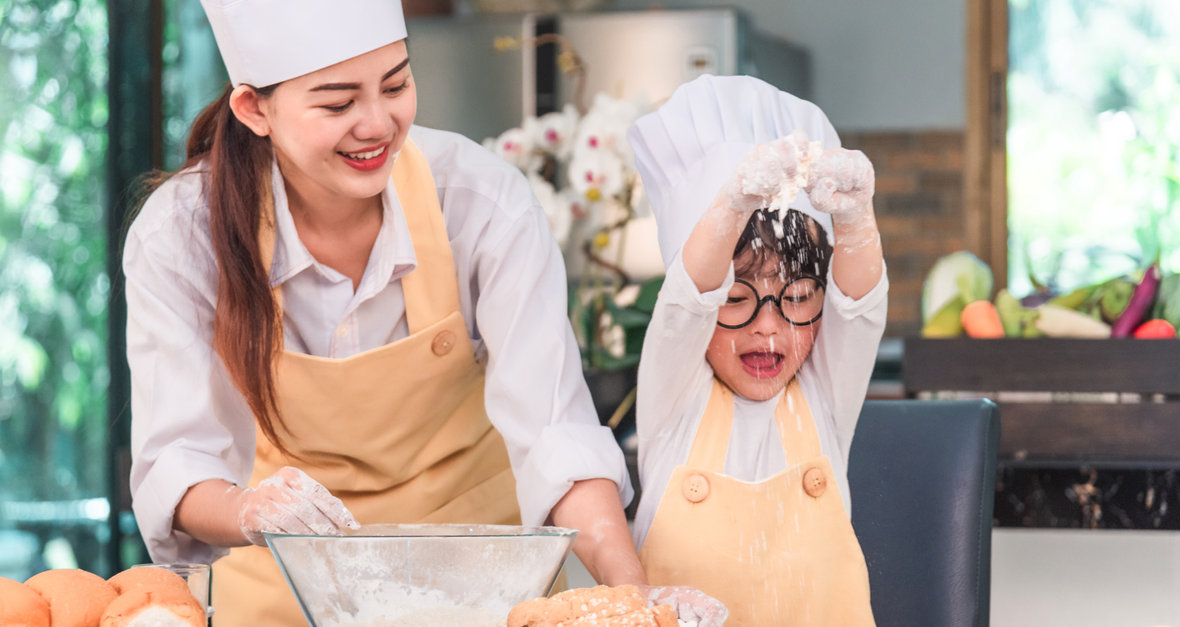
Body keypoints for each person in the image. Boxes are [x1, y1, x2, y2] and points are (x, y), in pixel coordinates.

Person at [124, 1, 669, 623]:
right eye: (337, 103)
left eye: (396, 84)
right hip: (281, 594)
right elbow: (177, 459)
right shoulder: (181, 233)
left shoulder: (480, 204)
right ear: (255, 109)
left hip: (479, 596)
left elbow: (558, 437)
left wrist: (635, 599)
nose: (378, 124)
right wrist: (252, 511)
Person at [626, 74, 888, 626]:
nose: (769, 330)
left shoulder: (823, 392)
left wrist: (855, 218)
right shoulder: (676, 398)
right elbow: (687, 302)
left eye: (794, 298)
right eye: (736, 300)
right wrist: (733, 203)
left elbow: (860, 309)